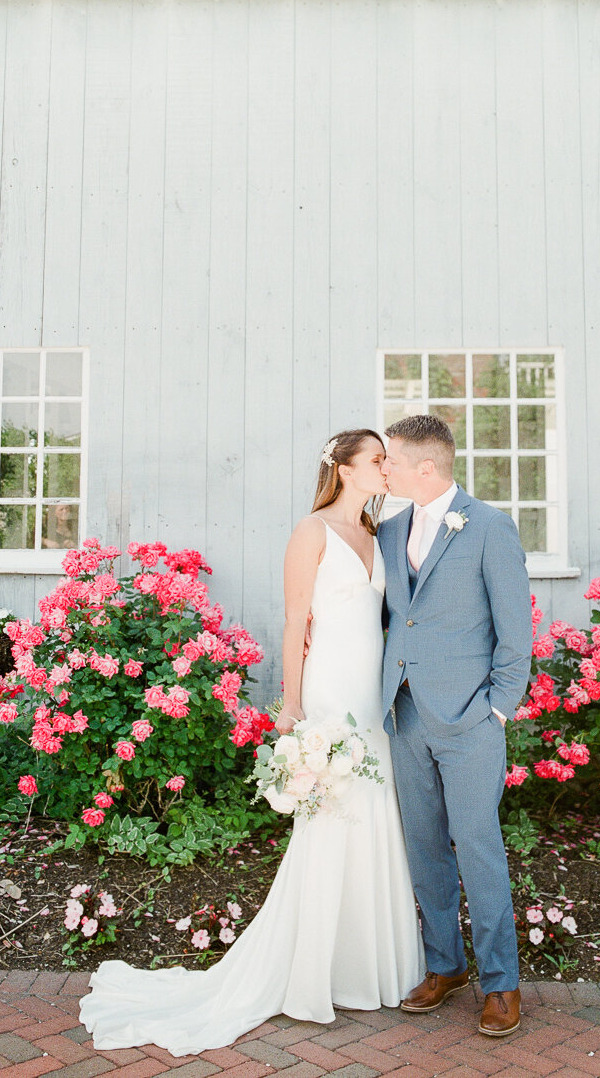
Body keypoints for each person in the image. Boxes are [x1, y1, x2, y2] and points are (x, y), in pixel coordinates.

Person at [79, 429, 423, 1056]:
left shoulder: (378, 535)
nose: (386, 468)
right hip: (328, 695)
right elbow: (296, 622)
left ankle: (366, 966)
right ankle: (313, 971)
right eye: (376, 460)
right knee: (330, 818)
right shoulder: (310, 532)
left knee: (372, 814)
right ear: (344, 470)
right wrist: (292, 704)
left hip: (372, 699)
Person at [379, 414, 533, 1038]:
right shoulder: (387, 529)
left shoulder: (490, 526)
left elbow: (515, 631)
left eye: (390, 460)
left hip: (470, 718)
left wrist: (495, 708)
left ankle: (502, 982)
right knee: (423, 847)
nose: (382, 469)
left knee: (478, 847)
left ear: (426, 467)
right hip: (405, 712)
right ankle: (445, 965)